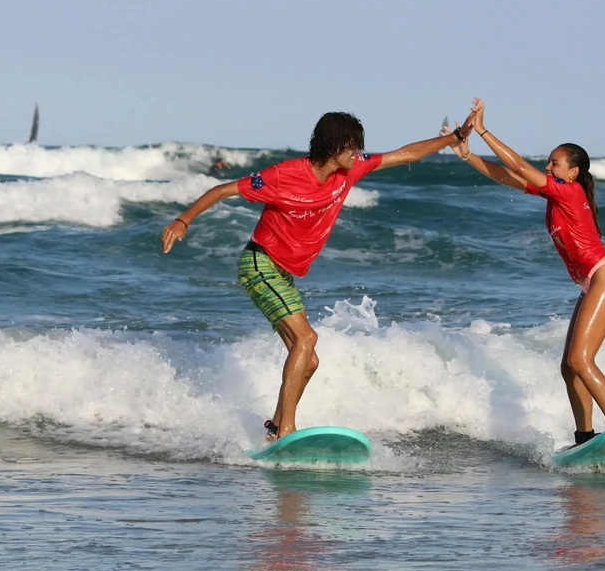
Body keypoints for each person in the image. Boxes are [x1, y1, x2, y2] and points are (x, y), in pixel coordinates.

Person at [162, 109, 476, 441]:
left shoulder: (349, 171)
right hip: (259, 264)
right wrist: (183, 221)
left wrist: (454, 138)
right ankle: (287, 429)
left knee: (309, 361)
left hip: (282, 274)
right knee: (306, 339)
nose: (358, 153)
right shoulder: (283, 175)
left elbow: (404, 154)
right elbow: (222, 190)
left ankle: (274, 429)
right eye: (352, 146)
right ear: (334, 145)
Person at [444, 98, 605, 447]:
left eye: (555, 163)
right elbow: (507, 175)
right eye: (548, 162)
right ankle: (585, 437)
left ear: (573, 172)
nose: (548, 166)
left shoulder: (569, 192)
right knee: (568, 366)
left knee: (580, 359)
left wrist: (482, 130)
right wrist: (467, 156)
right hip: (590, 283)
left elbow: (518, 165)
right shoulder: (555, 195)